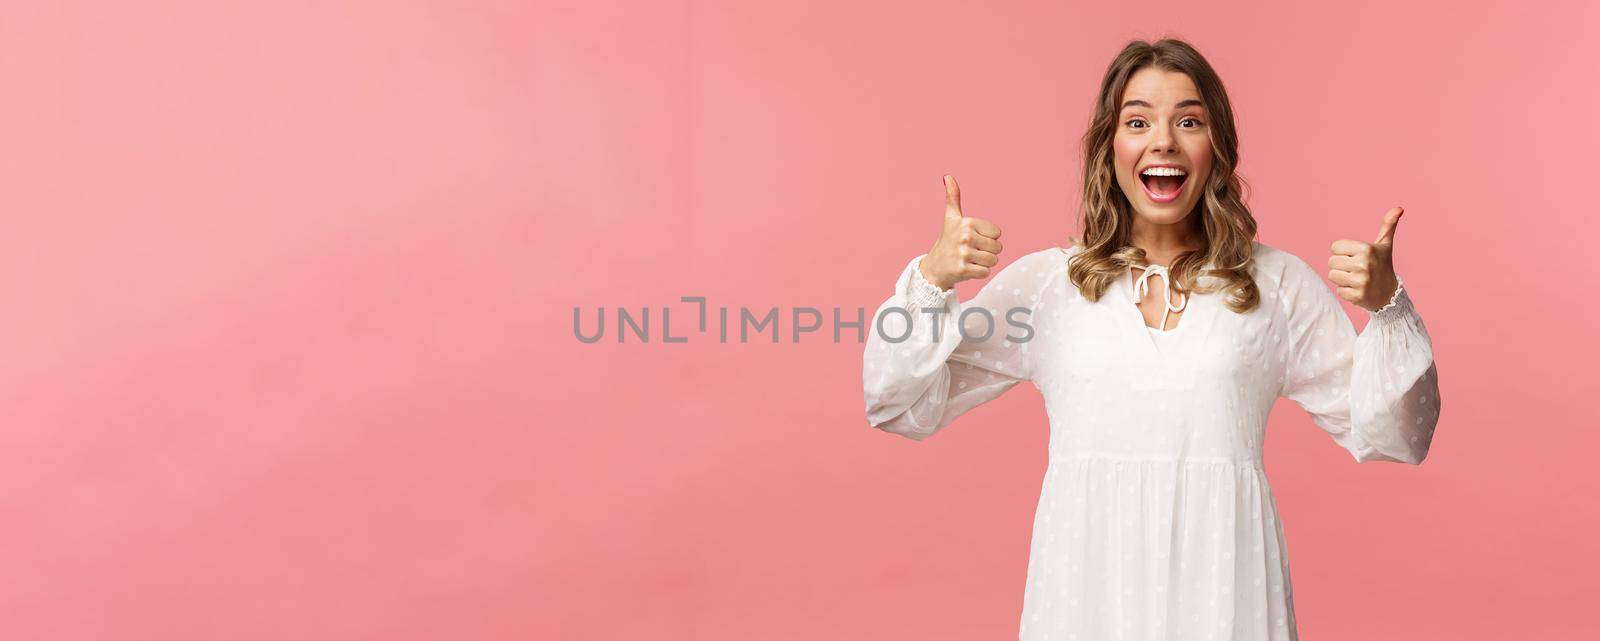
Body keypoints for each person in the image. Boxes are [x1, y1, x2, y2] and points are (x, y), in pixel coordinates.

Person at [861, 38, 1440, 640]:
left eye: (1189, 121)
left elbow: (1396, 436)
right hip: (1085, 593)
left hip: (1225, 592)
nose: (1163, 140)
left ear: (1217, 148)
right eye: (1138, 121)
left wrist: (1388, 308)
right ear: (1109, 147)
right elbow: (900, 406)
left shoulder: (1277, 285)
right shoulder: (1049, 286)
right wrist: (932, 280)